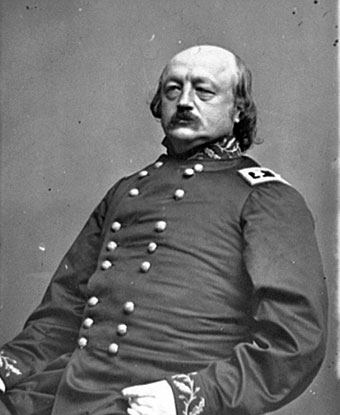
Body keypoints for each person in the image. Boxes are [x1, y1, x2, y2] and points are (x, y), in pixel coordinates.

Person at [0, 45, 328, 415]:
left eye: (204, 91)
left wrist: (189, 395)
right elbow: (63, 312)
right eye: (173, 90)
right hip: (69, 391)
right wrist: (6, 366)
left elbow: (294, 341)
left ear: (238, 109)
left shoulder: (266, 197)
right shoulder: (126, 190)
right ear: (159, 104)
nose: (185, 101)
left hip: (160, 402)